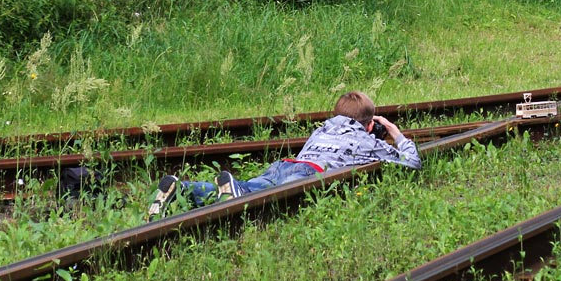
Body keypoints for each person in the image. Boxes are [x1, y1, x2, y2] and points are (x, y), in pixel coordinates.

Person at [145, 90, 421, 220]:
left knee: (248, 188)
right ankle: (232, 190)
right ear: (371, 124)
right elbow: (411, 164)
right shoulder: (366, 140)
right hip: (309, 173)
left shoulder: (321, 130)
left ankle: (183, 189)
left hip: (288, 165)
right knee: (256, 202)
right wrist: (395, 134)